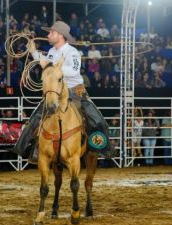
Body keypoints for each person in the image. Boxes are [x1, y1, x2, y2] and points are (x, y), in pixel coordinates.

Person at [13, 21, 111, 163]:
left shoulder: (73, 52)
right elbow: (44, 64)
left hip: (76, 92)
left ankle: (102, 148)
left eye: (51, 32)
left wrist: (54, 68)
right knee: (34, 119)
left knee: (97, 120)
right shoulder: (52, 52)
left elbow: (74, 71)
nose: (48, 35)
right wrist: (33, 51)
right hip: (57, 93)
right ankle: (28, 148)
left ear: (60, 35)